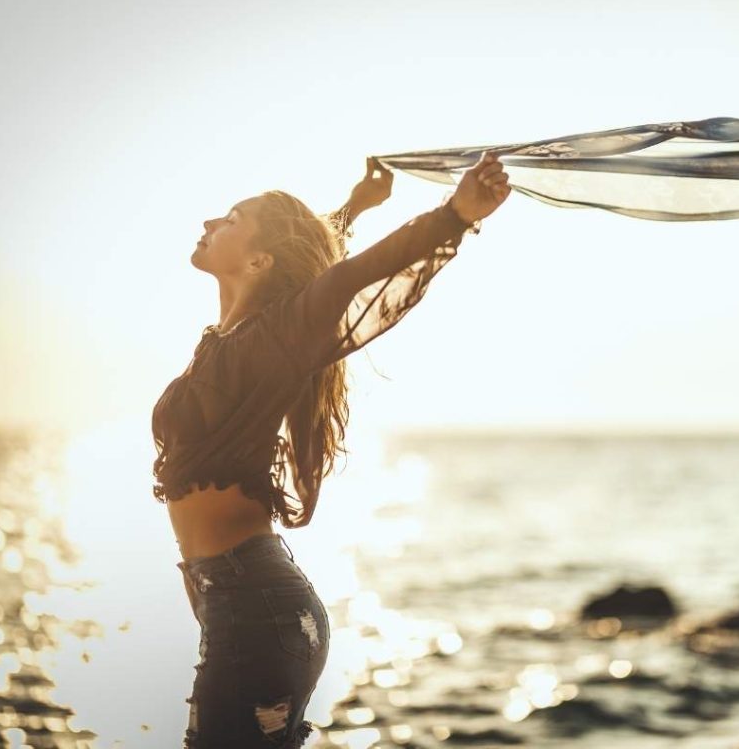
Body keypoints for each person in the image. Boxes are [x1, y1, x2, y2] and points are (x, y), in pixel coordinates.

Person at [151, 152, 511, 747]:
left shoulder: (275, 337)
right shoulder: (239, 337)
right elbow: (306, 270)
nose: (212, 221)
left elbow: (345, 281)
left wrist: (455, 215)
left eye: (231, 219)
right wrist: (351, 210)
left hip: (254, 605)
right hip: (239, 602)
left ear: (258, 258)